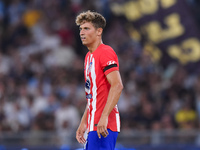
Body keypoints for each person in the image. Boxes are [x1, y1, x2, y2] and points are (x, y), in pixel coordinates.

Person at [75, 10, 123, 150]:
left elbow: (117, 85)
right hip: (93, 123)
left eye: (86, 28)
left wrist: (104, 117)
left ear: (98, 31)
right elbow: (93, 95)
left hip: (103, 125)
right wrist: (83, 122)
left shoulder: (106, 52)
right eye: (81, 29)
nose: (82, 33)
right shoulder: (88, 57)